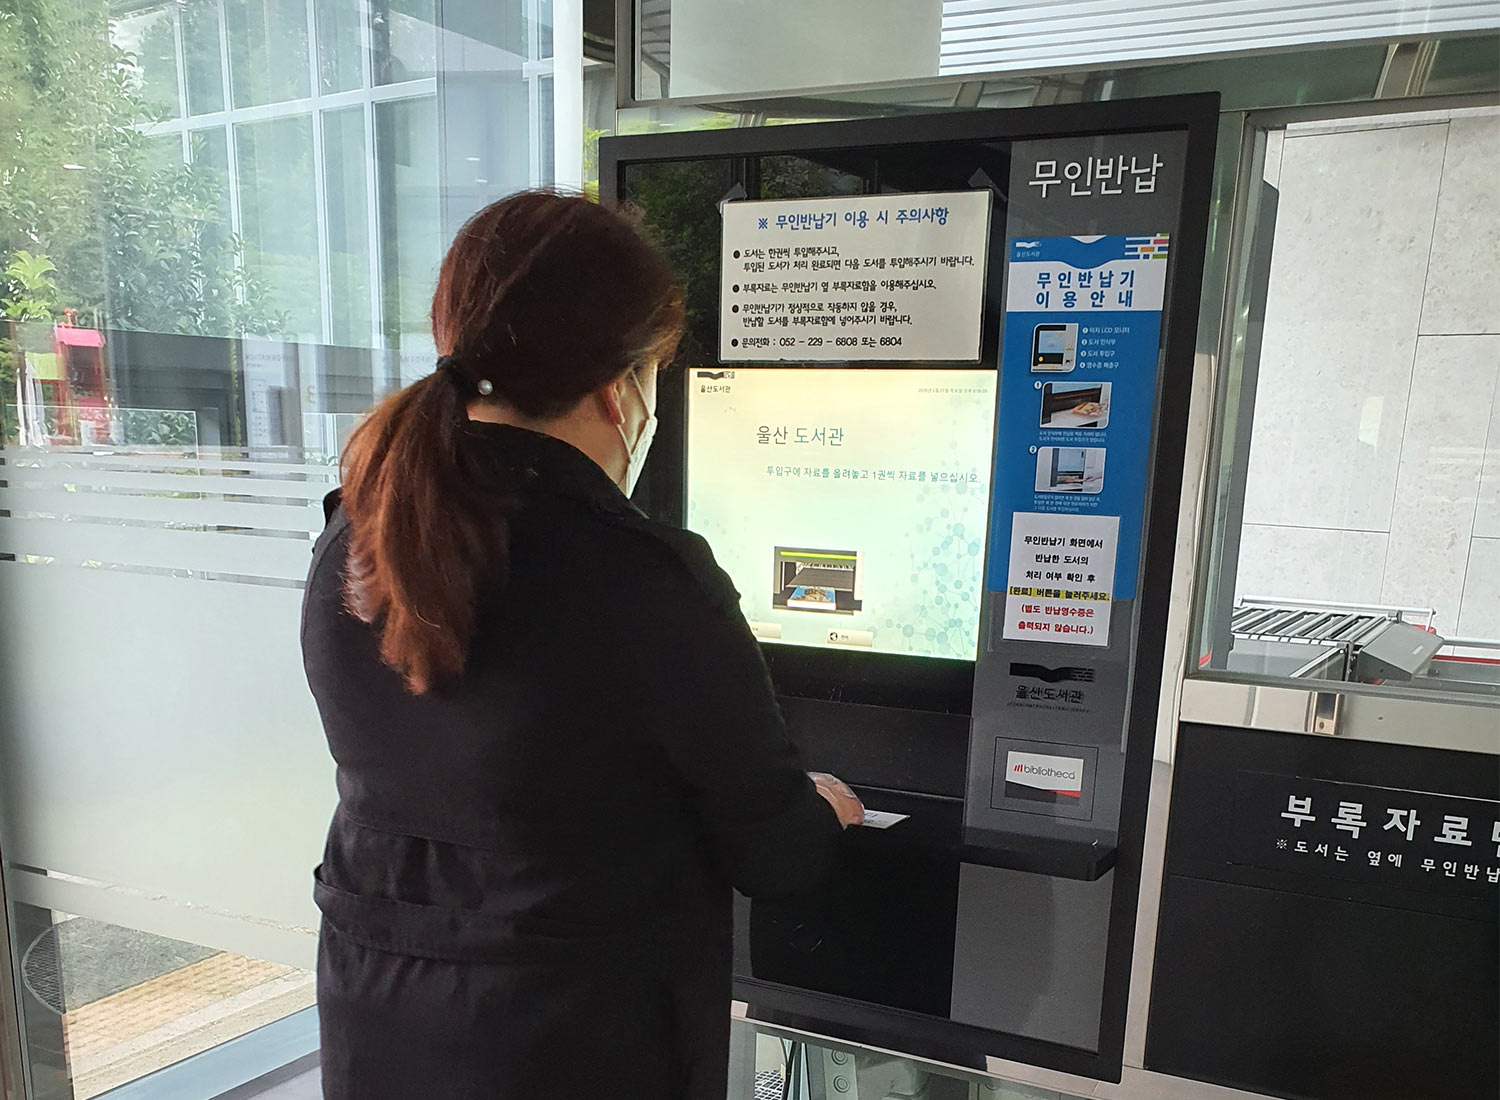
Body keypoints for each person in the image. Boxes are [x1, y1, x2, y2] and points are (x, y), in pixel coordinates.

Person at [300, 191, 864, 1099]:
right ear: (620, 386)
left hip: (381, 1020)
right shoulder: (639, 575)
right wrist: (822, 811)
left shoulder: (355, 535)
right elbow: (774, 853)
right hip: (570, 1041)